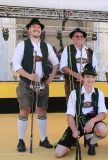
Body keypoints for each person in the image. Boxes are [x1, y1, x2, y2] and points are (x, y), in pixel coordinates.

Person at [12, 18, 59, 152]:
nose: (36, 29)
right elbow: (15, 65)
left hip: (42, 83)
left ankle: (43, 139)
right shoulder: (22, 45)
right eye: (33, 27)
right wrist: (28, 76)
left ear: (41, 30)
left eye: (38, 27)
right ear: (29, 29)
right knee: (24, 111)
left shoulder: (46, 46)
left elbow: (56, 62)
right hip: (26, 83)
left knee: (42, 110)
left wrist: (51, 77)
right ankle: (21, 140)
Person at [54, 64, 108, 157]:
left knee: (103, 130)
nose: (90, 80)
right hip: (77, 123)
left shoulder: (99, 93)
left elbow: (103, 113)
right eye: (87, 77)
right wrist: (74, 130)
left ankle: (91, 142)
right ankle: (71, 143)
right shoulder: (74, 93)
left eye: (92, 77)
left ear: (95, 78)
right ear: (82, 78)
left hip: (92, 123)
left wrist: (92, 120)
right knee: (58, 154)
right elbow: (70, 115)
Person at [60, 28, 98, 143]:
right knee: (73, 109)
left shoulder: (90, 52)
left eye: (81, 37)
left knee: (87, 108)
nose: (79, 38)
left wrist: (87, 79)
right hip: (71, 83)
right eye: (77, 36)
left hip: (86, 85)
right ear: (72, 38)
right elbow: (63, 66)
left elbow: (96, 68)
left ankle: (87, 136)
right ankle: (74, 133)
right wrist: (76, 75)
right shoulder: (68, 49)